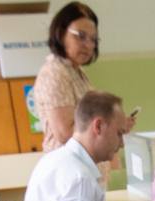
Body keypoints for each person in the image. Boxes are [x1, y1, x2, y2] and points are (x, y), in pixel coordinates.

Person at [33, 3, 102, 152]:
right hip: (70, 169)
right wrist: (106, 129)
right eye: (81, 36)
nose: (88, 45)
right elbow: (65, 134)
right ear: (61, 33)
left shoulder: (76, 71)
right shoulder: (55, 73)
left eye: (93, 39)